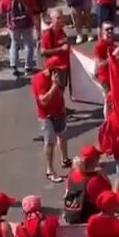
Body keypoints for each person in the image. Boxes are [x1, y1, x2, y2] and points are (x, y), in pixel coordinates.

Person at [33, 55, 71, 183]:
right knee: (50, 142)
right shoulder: (39, 80)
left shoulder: (58, 78)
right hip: (46, 116)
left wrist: (63, 108)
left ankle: (65, 159)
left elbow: (60, 94)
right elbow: (43, 101)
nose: (61, 71)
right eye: (58, 69)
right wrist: (54, 86)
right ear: (51, 69)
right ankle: (50, 171)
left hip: (58, 111)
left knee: (63, 135)